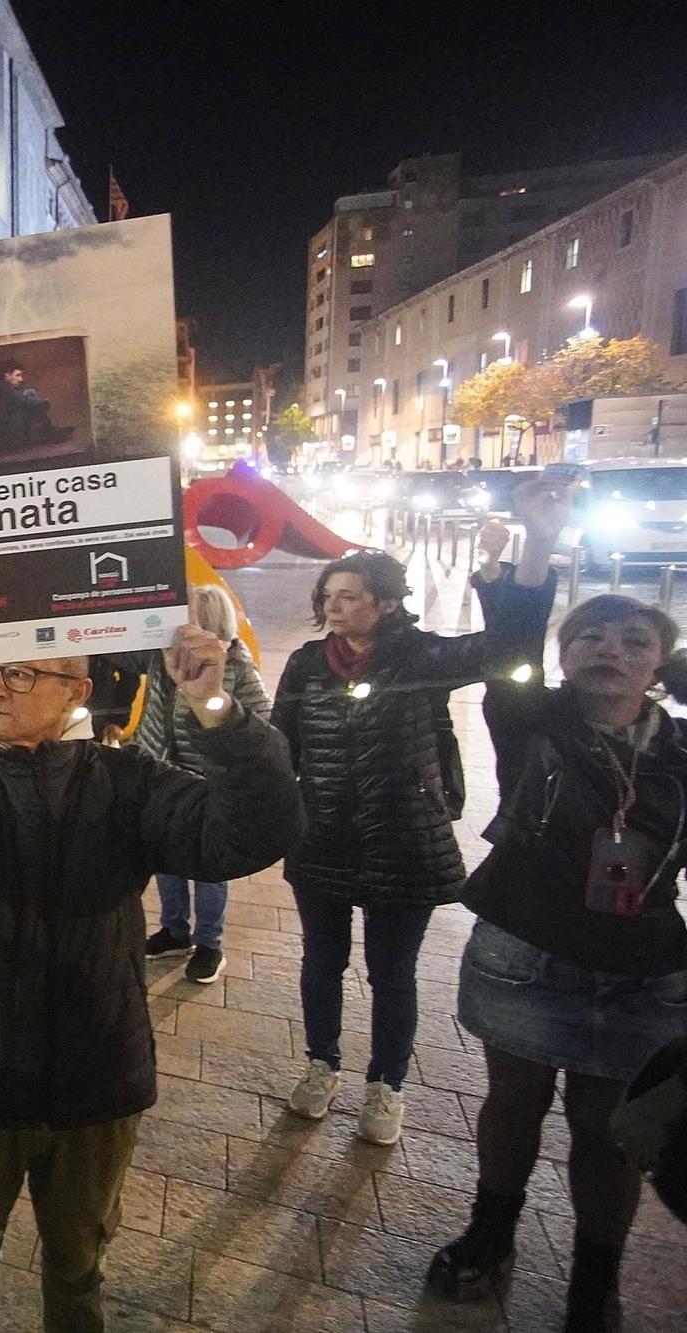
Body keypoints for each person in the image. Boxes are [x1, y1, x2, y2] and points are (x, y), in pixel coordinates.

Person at [0, 611, 304, 1333]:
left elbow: (253, 832)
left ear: (74, 691)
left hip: (95, 1079)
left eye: (22, 672)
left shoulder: (124, 780)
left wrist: (218, 709)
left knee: (78, 1269)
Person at [428, 496, 684, 1332]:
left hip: (638, 968)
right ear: (564, 658)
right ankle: (490, 1231)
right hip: (526, 949)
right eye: (590, 638)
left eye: (633, 642)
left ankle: (593, 1280)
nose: (609, 650)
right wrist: (538, 545)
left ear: (660, 667)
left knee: (606, 1132)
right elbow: (508, 650)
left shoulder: (680, 754)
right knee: (514, 1100)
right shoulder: (531, 719)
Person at [273, 484, 563, 1146]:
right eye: (329, 596)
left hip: (406, 840)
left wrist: (526, 555)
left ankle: (386, 1084)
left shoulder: (422, 655)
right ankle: (322, 1064)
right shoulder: (306, 664)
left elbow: (508, 651)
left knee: (391, 971)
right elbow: (279, 744)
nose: (334, 606)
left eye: (349, 595)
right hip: (322, 838)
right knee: (321, 958)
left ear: (385, 602)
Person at [135, 584, 274, 983]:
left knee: (210, 870)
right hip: (164, 778)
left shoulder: (234, 665)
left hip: (209, 783)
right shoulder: (163, 658)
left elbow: (262, 721)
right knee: (167, 863)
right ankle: (175, 931)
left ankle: (209, 943)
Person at [0, 364, 56, 450]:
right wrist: (40, 402)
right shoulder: (5, 388)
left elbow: (21, 401)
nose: (21, 379)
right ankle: (50, 431)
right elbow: (22, 402)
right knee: (32, 397)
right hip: (4, 431)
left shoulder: (9, 388)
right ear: (7, 375)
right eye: (17, 375)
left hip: (11, 423)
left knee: (31, 396)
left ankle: (50, 431)